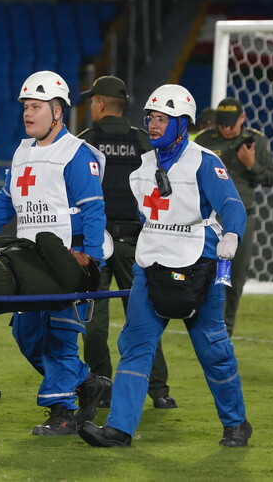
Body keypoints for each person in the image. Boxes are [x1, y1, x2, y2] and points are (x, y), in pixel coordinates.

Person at [79, 84, 251, 448]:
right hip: (151, 262)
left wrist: (232, 234)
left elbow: (233, 205)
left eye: (163, 118)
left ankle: (236, 424)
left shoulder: (205, 161)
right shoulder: (141, 168)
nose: (153, 125)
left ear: (183, 123)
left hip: (201, 266)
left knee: (213, 348)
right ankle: (119, 429)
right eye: (151, 117)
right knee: (136, 345)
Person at [0, 71, 111, 436]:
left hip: (67, 261)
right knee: (27, 335)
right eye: (25, 107)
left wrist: (91, 259)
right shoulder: (21, 151)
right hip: (28, 262)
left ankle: (61, 412)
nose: (27, 114)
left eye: (35, 107)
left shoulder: (77, 154)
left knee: (59, 336)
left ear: (57, 110)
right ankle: (87, 383)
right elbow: (6, 200)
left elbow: (94, 210)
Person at [78, 76, 176, 410]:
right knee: (146, 317)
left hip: (96, 245)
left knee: (92, 321)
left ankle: (100, 386)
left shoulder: (84, 143)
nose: (91, 106)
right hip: (139, 243)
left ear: (101, 104)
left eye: (92, 101)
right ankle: (159, 391)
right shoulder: (144, 142)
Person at [195, 97, 273, 336]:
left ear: (242, 119)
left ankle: (225, 332)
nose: (227, 127)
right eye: (222, 123)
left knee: (234, 279)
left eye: (232, 123)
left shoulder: (255, 142)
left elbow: (271, 178)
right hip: (208, 220)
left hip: (243, 221)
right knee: (202, 275)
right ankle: (201, 325)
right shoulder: (204, 141)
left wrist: (251, 164)